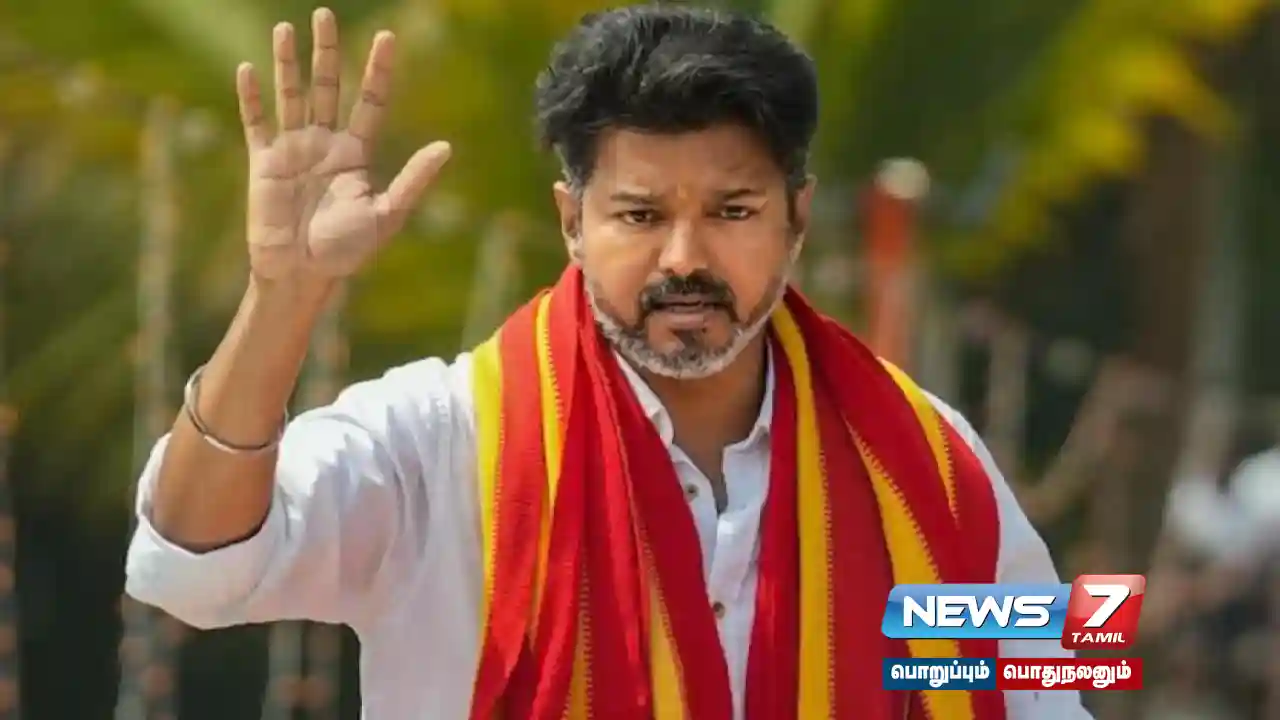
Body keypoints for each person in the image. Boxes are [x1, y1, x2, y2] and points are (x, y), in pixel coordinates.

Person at [124, 5, 1091, 719]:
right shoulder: (442, 442)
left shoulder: (921, 465)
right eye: (639, 215)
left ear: (796, 218)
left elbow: (1043, 680)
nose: (684, 259)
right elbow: (195, 566)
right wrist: (282, 296)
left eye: (733, 211)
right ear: (571, 222)